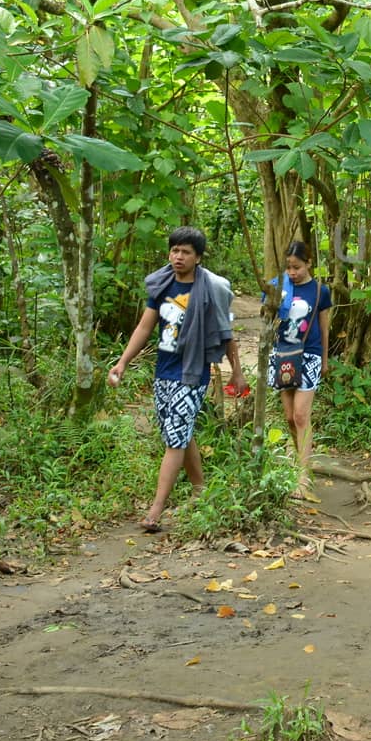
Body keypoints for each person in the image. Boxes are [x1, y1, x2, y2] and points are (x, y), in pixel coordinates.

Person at [108, 226, 247, 533]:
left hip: (193, 372)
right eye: (174, 250)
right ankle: (200, 490)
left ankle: (156, 509)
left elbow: (226, 334)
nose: (178, 257)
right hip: (164, 370)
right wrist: (122, 363)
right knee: (179, 434)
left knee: (174, 438)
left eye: (185, 252)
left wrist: (237, 371)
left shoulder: (211, 290)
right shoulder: (163, 285)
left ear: (198, 257)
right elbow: (144, 328)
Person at [267, 240, 333, 501]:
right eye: (289, 267)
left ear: (308, 264)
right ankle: (300, 463)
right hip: (283, 355)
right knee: (290, 418)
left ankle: (303, 479)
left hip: (310, 355)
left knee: (301, 415)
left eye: (297, 267)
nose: (292, 272)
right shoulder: (278, 286)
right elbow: (268, 319)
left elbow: (324, 327)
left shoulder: (320, 291)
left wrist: (324, 359)